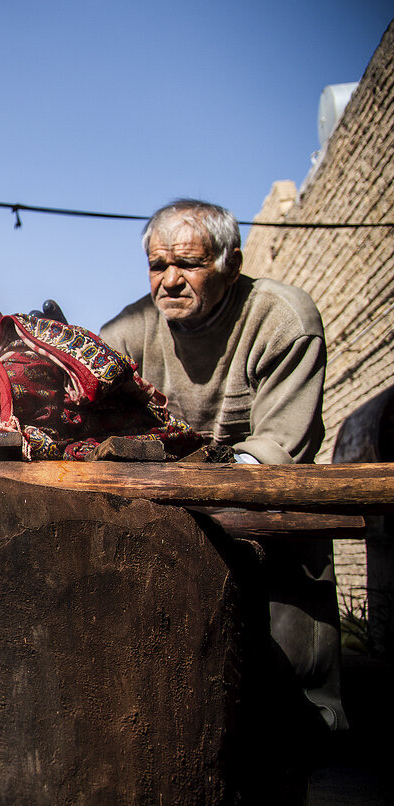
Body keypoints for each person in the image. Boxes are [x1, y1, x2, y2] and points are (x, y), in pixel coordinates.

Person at [101, 199, 345, 739]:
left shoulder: (284, 320)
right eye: (157, 266)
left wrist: (195, 473)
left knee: (291, 694)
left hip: (269, 504)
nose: (169, 281)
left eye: (188, 264)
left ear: (232, 262)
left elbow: (282, 444)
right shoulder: (130, 330)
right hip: (180, 505)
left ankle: (313, 723)